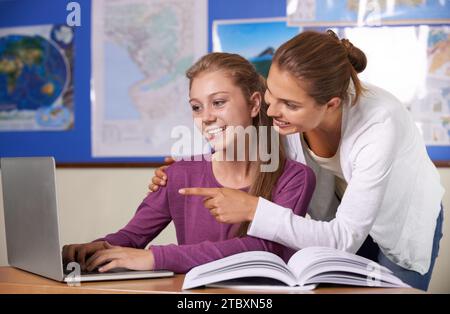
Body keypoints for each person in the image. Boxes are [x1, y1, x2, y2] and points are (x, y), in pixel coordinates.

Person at [149, 30, 444, 290]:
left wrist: (254, 209)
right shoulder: (284, 107)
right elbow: (245, 138)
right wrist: (189, 167)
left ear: (331, 104)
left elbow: (344, 238)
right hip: (338, 215)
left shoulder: (380, 123)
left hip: (397, 218)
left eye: (289, 105)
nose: (273, 111)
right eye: (271, 95)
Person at [62, 52, 316, 274]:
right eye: (196, 107)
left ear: (253, 104)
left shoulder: (294, 178)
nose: (205, 117)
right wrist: (97, 248)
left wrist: (156, 258)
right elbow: (132, 237)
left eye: (218, 103)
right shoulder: (179, 174)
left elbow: (263, 250)